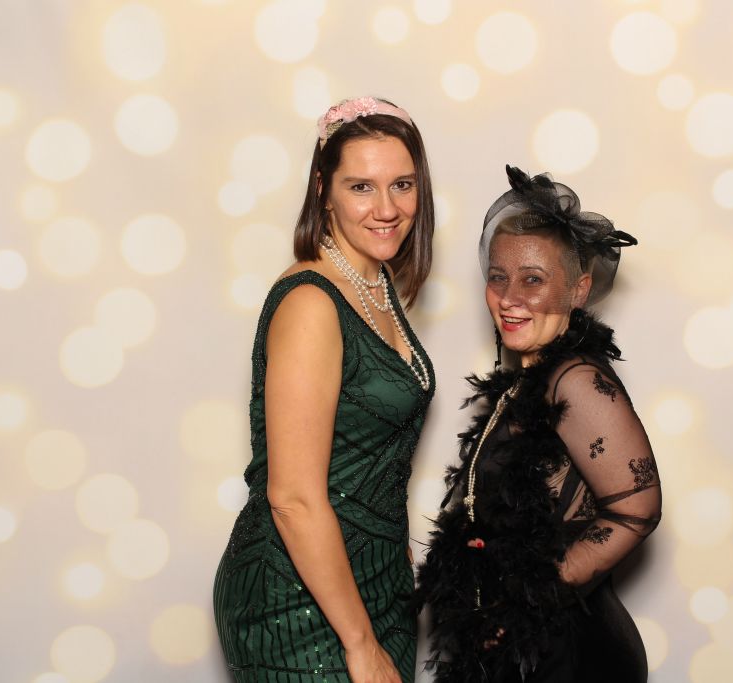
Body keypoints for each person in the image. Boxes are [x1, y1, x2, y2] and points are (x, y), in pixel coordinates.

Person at [214, 97, 436, 683]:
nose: (387, 209)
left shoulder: (373, 283)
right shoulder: (312, 303)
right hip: (298, 602)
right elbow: (292, 497)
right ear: (323, 190)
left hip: (375, 586)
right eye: (361, 187)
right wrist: (360, 645)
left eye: (402, 185)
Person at [415, 166, 662, 682]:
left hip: (567, 655)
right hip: (523, 651)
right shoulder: (527, 383)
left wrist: (527, 604)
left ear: (578, 289)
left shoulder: (575, 380)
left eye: (533, 279)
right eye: (498, 277)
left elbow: (637, 508)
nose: (510, 297)